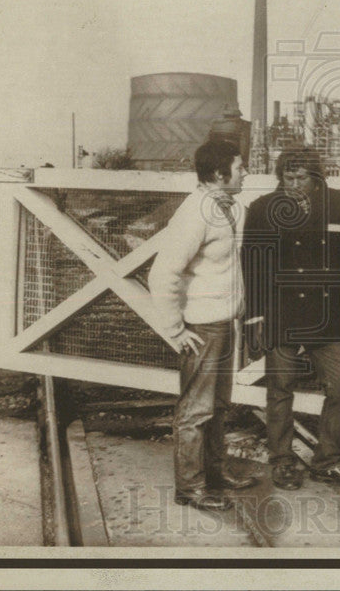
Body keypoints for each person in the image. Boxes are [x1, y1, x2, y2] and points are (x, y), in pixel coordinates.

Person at [241, 146, 340, 491]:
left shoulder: (338, 202)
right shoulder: (262, 208)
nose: (294, 185)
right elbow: (252, 266)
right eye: (288, 178)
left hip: (324, 315)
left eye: (300, 178)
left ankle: (327, 460)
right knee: (280, 388)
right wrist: (254, 318)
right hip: (280, 313)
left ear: (316, 177)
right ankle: (282, 461)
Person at [148, 139, 259, 512]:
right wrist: (175, 329)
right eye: (240, 167)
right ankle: (190, 487)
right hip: (202, 328)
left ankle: (215, 471)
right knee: (196, 411)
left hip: (225, 324)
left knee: (219, 405)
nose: (245, 173)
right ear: (219, 173)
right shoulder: (194, 213)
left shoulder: (229, 207)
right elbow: (162, 274)